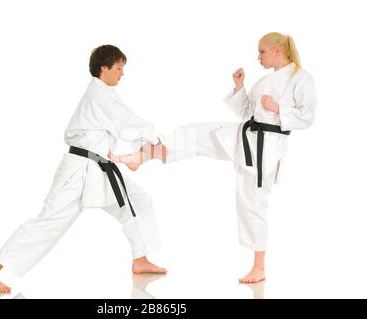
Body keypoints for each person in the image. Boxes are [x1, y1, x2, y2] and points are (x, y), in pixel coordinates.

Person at [110, 32, 317, 283]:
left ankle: (259, 266)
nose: (258, 57)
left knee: (251, 203)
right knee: (198, 133)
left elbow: (307, 117)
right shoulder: (266, 81)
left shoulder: (301, 78)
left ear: (276, 51)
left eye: (261, 51)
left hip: (266, 148)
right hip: (246, 136)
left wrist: (278, 109)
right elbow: (246, 112)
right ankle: (143, 156)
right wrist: (240, 88)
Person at [0, 45, 167, 293]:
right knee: (48, 221)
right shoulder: (101, 95)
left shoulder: (103, 94)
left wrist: (147, 146)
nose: (122, 74)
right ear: (104, 67)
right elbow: (128, 122)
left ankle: (140, 258)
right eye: (119, 68)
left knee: (139, 201)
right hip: (79, 171)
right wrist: (156, 140)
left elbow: (125, 122)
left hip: (99, 169)